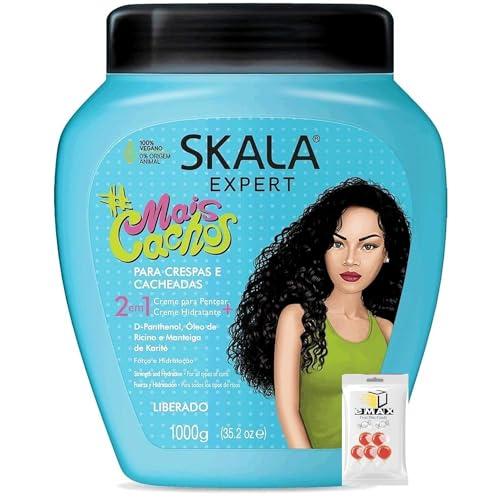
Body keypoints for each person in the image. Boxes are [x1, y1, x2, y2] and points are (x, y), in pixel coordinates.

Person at [227, 177, 410, 448]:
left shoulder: (387, 331)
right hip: (312, 468)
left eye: (368, 246)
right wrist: (309, 467)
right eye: (337, 243)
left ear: (387, 254)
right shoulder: (297, 319)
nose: (350, 259)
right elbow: (288, 411)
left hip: (371, 466)